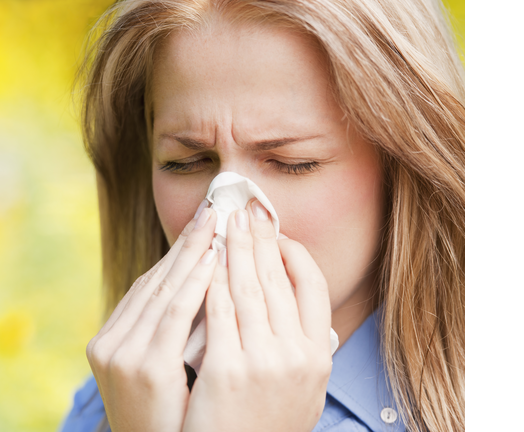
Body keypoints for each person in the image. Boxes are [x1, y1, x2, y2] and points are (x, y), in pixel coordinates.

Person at [60, 0, 464, 431]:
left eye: (294, 162)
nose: (226, 216)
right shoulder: (113, 402)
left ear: (404, 166)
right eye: (187, 161)